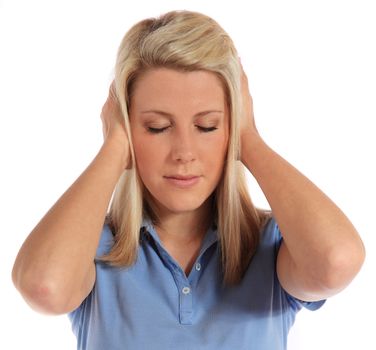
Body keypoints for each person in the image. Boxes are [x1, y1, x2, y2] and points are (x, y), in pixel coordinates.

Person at [12, 10, 365, 350]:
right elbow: (44, 287)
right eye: (157, 127)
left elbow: (336, 262)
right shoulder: (93, 248)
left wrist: (251, 140)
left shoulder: (271, 247)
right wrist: (115, 147)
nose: (184, 152)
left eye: (207, 126)